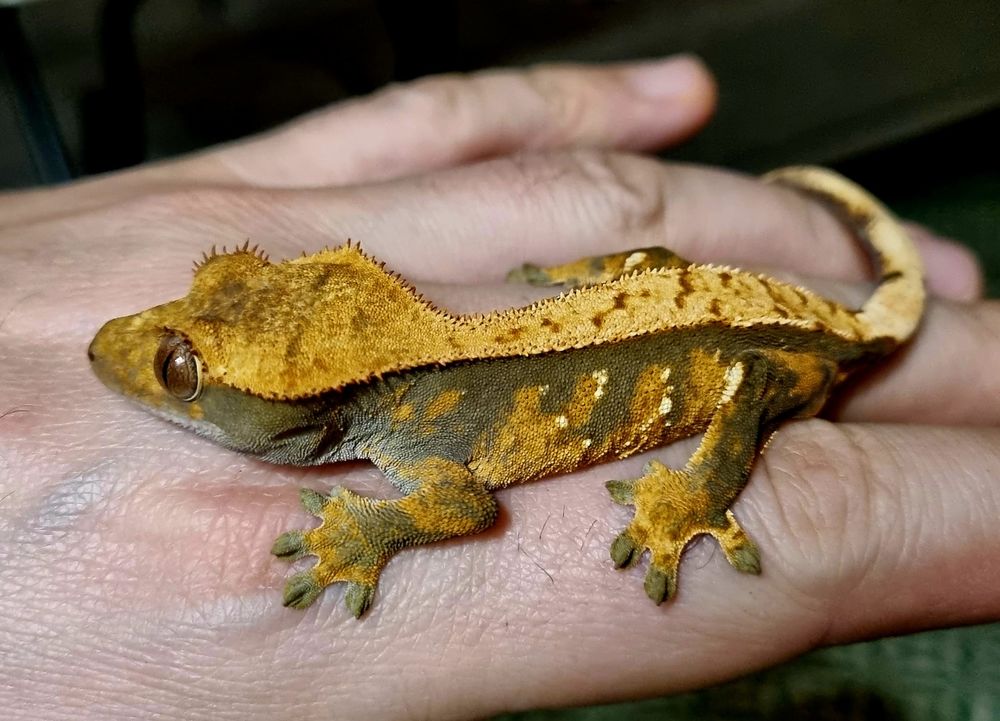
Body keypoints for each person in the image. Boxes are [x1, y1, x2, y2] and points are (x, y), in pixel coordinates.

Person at [0, 55, 995, 720]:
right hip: (691, 301)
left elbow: (461, 501)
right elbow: (642, 275)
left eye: (181, 371)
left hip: (777, 350)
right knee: (658, 278)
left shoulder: (422, 437)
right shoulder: (407, 394)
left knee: (746, 378)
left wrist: (371, 528)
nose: (132, 349)